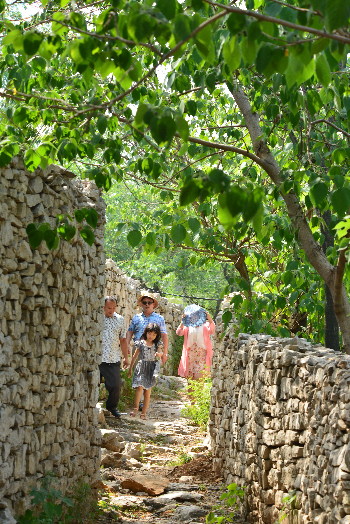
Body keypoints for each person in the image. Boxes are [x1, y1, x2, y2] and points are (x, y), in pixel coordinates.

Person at [126, 293, 168, 411]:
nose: (147, 305)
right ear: (141, 304)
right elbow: (130, 331)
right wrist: (127, 344)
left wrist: (164, 352)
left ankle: (144, 402)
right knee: (138, 375)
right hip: (139, 348)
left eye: (149, 302)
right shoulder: (136, 318)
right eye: (144, 302)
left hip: (152, 350)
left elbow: (164, 335)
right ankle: (138, 403)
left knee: (148, 376)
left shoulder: (159, 319)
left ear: (154, 304)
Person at [100, 296, 129, 418]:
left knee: (116, 385)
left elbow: (123, 340)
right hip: (98, 357)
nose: (110, 310)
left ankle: (112, 407)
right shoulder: (98, 318)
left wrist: (126, 357)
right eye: (108, 308)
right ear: (103, 307)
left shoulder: (120, 320)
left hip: (113, 357)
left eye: (113, 308)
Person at [128, 323, 163, 419]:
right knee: (139, 387)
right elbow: (134, 356)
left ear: (157, 336)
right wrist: (130, 368)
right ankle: (135, 408)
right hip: (141, 366)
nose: (151, 336)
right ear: (146, 333)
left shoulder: (157, 344)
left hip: (151, 369)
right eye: (150, 333)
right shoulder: (141, 343)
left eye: (154, 334)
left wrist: (159, 354)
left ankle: (143, 413)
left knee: (147, 391)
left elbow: (160, 352)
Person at [176, 304, 216, 380]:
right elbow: (179, 333)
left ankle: (198, 392)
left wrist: (210, 319)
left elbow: (212, 330)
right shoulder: (187, 326)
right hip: (190, 354)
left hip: (201, 354)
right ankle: (190, 392)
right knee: (190, 377)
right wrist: (182, 322)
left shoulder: (205, 325)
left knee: (200, 376)